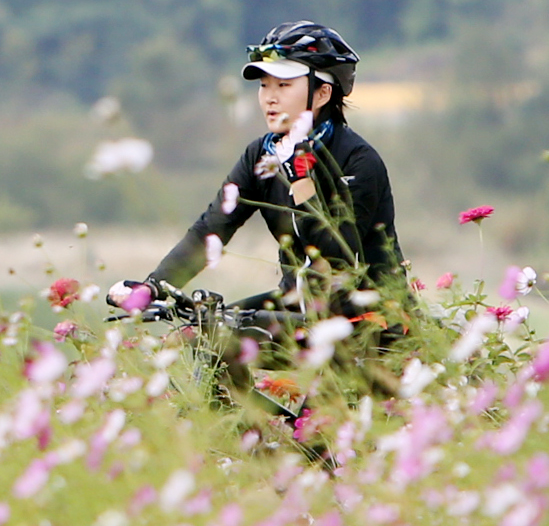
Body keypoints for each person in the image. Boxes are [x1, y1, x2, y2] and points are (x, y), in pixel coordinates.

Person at [122, 21, 403, 326]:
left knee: (233, 332)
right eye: (264, 85)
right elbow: (211, 230)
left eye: (283, 85)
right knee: (204, 331)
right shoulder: (261, 155)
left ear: (323, 93)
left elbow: (338, 258)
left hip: (369, 315)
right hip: (297, 303)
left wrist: (301, 179)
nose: (270, 97)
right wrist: (154, 287)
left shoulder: (358, 160)